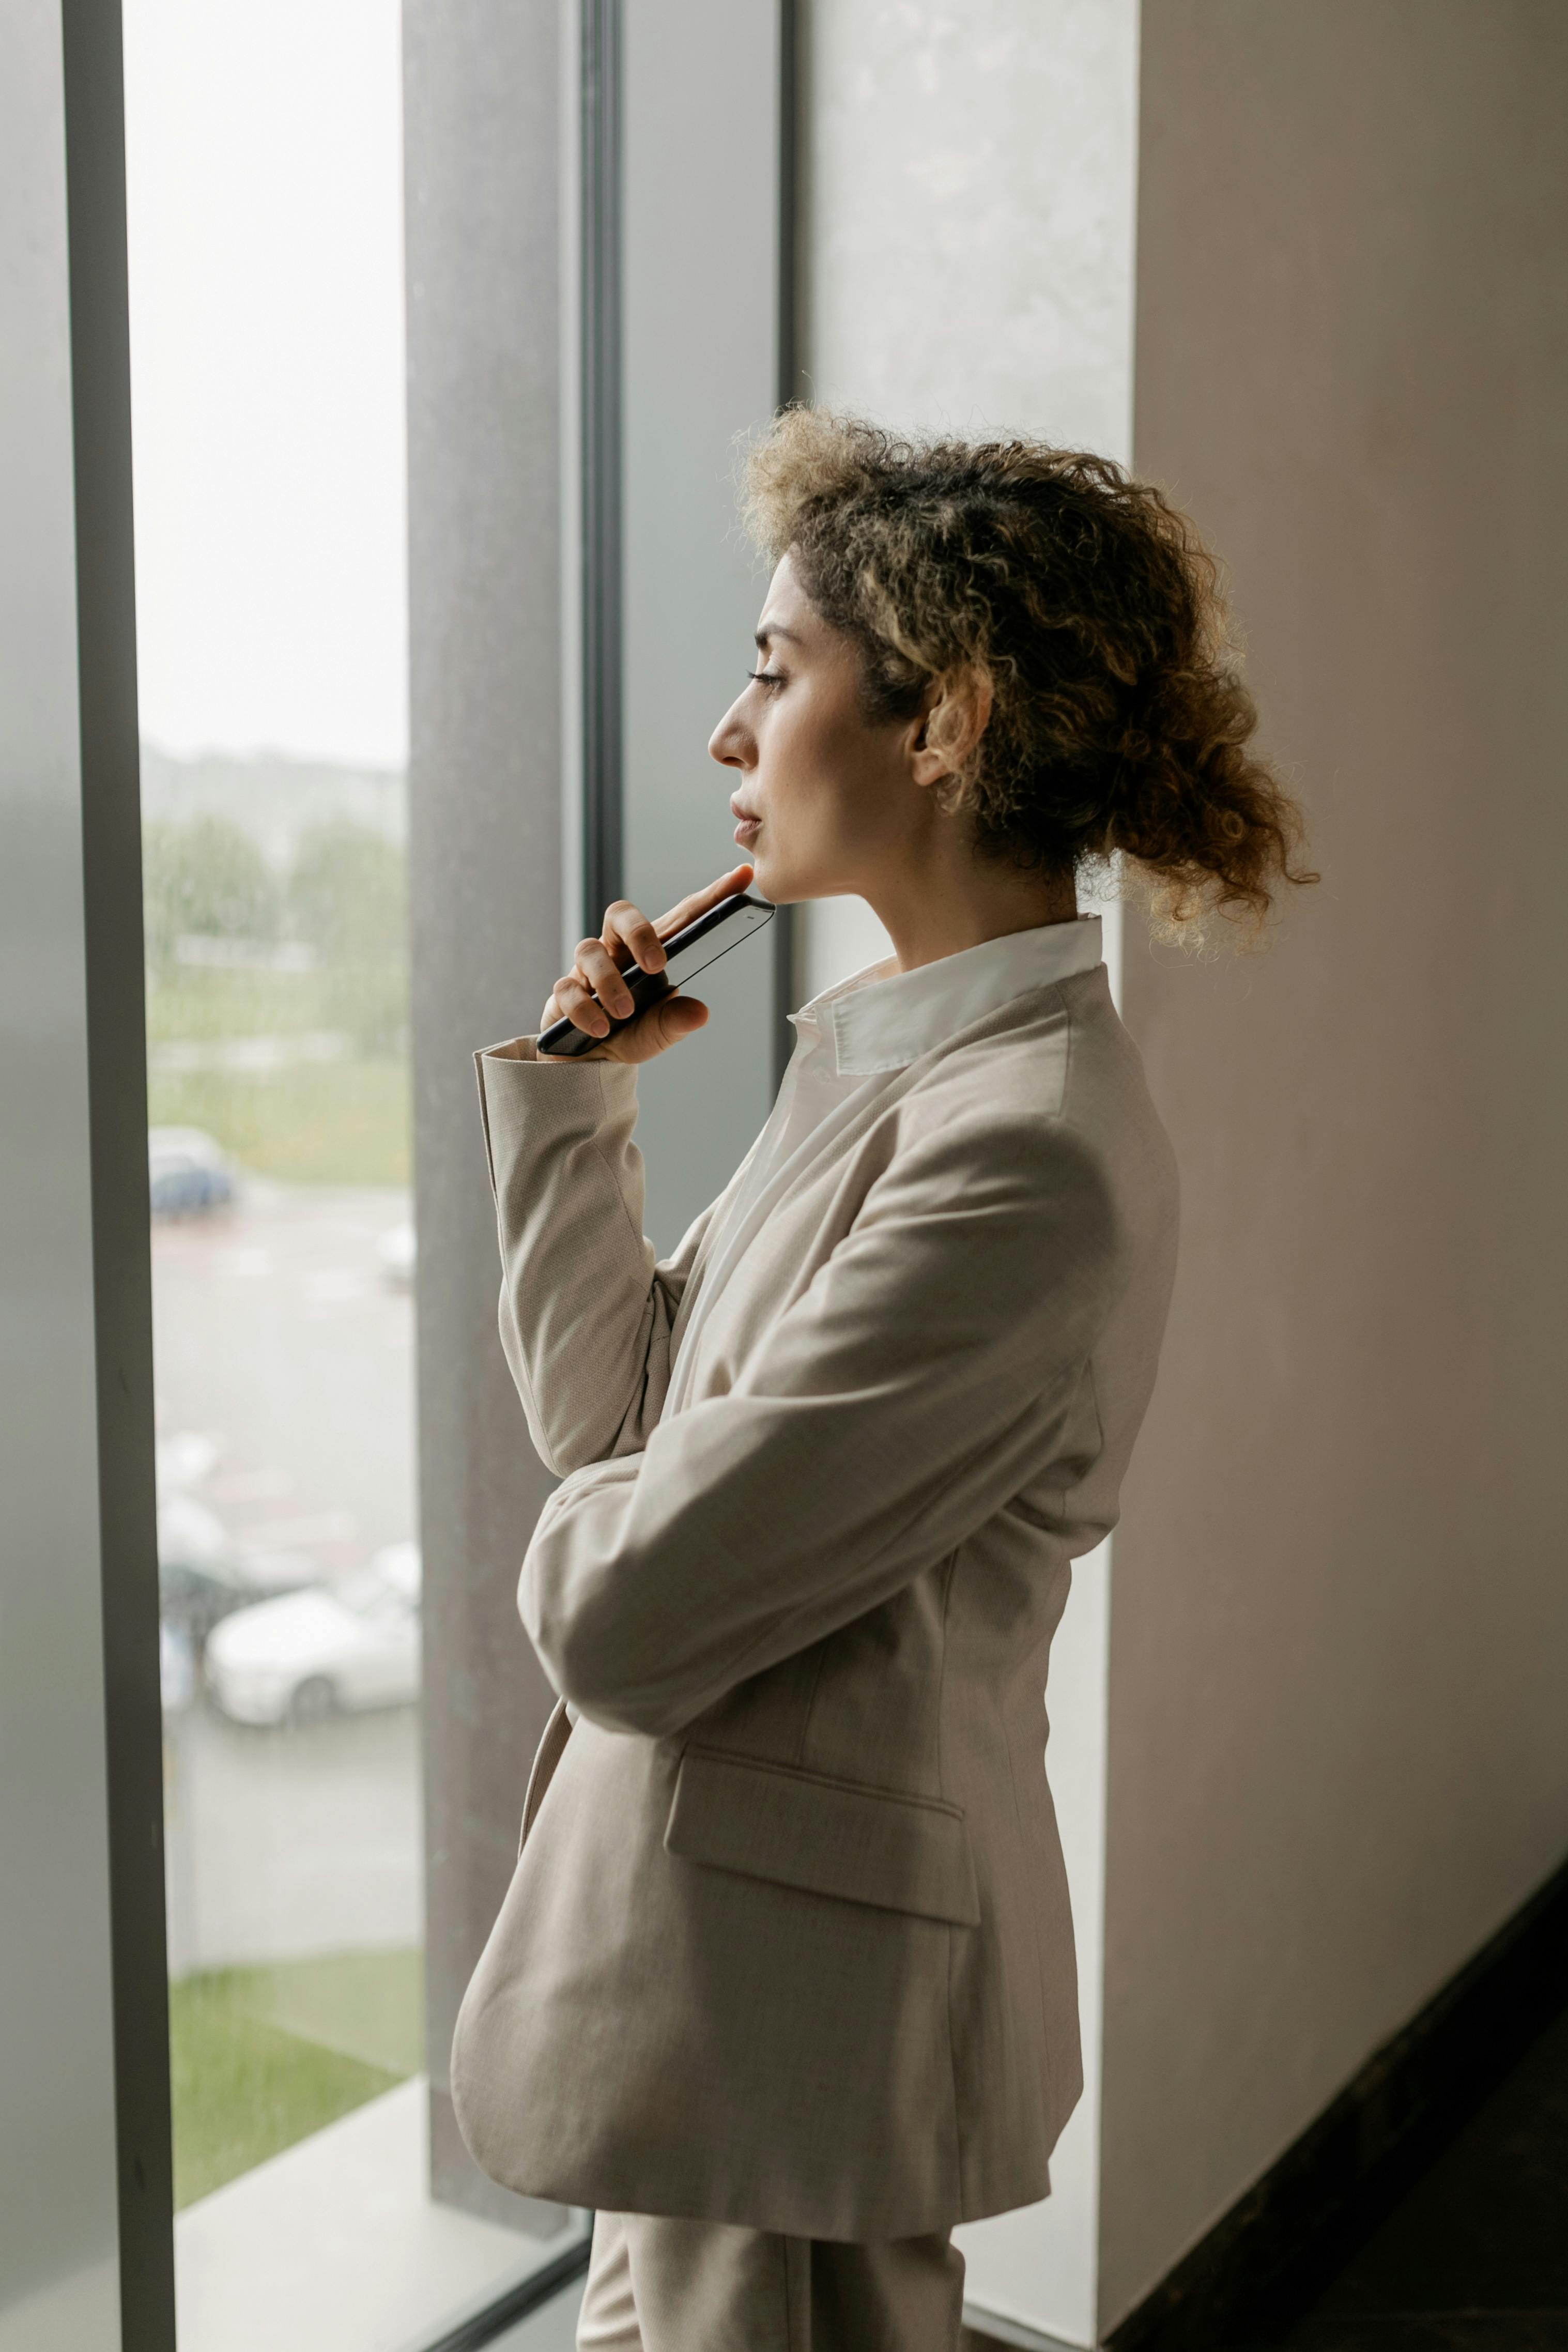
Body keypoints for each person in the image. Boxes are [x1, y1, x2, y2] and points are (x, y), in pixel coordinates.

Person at [453, 412, 1314, 2352]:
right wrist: (577, 1104)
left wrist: (644, 1521)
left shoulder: (1022, 1152)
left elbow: (624, 1610)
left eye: (774, 672)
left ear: (948, 721)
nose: (726, 735)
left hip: (793, 2014)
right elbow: (614, 1435)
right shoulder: (893, 1066)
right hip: (714, 1992)